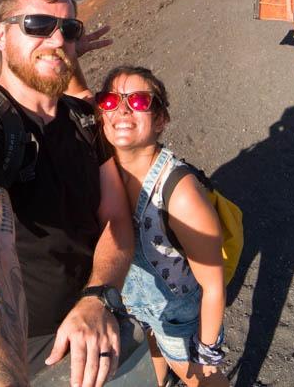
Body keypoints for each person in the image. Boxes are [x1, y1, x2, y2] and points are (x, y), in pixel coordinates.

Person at [0, 0, 134, 387]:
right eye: (37, 25)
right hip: (33, 343)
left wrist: (97, 295)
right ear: (0, 35)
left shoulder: (83, 119)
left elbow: (117, 218)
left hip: (99, 305)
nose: (57, 39)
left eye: (68, 29)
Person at [97, 65, 230, 387]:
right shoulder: (103, 169)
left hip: (177, 316)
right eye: (110, 100)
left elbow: (213, 285)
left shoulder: (180, 194)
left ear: (160, 120)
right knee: (149, 359)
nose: (123, 109)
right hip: (134, 306)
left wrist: (206, 352)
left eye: (140, 101)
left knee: (202, 381)